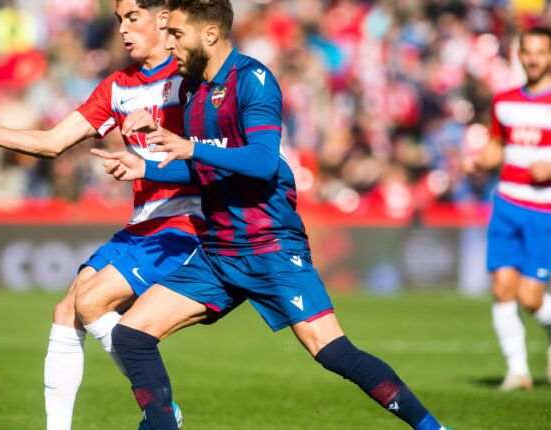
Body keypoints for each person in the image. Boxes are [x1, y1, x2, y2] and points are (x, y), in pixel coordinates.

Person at [92, 1, 449, 429]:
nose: (169, 44)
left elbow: (263, 160)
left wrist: (189, 147)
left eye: (177, 35)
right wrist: (145, 167)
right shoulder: (191, 89)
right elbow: (206, 164)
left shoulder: (253, 80)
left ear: (209, 35)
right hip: (218, 252)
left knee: (333, 352)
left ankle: (434, 428)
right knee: (132, 335)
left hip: (269, 246)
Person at [0, 1, 201, 428]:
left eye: (132, 18)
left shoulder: (194, 79)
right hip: (142, 227)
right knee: (65, 312)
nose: (123, 30)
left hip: (186, 225)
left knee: (91, 301)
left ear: (164, 19)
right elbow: (54, 141)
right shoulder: (118, 86)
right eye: (118, 20)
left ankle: (160, 408)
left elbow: (217, 153)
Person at [464, 26, 551, 391]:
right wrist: (480, 161)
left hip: (543, 210)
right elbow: (499, 144)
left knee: (530, 296)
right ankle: (518, 372)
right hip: (506, 204)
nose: (533, 58)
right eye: (527, 51)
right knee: (502, 288)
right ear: (519, 54)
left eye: (540, 52)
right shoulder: (504, 100)